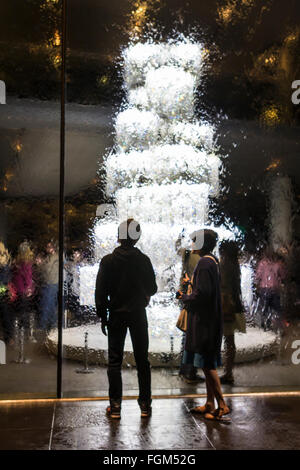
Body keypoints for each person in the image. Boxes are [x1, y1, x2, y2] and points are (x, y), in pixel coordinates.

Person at [95, 219, 157, 419]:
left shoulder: (108, 261)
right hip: (138, 314)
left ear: (119, 235)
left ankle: (115, 407)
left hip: (116, 314)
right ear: (137, 237)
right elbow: (153, 288)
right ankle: (145, 405)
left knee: (114, 361)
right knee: (142, 360)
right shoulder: (144, 260)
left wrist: (102, 316)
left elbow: (100, 292)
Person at [177, 229, 230, 421]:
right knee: (206, 363)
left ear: (201, 244)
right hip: (208, 320)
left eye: (194, 242)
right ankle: (209, 403)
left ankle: (222, 405)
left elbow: (203, 295)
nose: (191, 245)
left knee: (208, 365)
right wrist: (191, 284)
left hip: (205, 323)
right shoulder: (211, 261)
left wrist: (185, 296)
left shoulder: (205, 263)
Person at [175, 231, 203, 383]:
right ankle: (189, 371)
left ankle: (184, 368)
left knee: (187, 334)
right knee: (193, 336)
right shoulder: (201, 258)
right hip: (193, 298)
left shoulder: (187, 254)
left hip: (185, 296)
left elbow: (177, 249)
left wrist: (180, 238)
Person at [219, 240, 246, 385]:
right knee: (230, 341)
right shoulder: (235, 265)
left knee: (228, 341)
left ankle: (228, 373)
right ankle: (228, 371)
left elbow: (222, 285)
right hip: (234, 305)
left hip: (226, 307)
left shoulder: (225, 265)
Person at [255, 247, 286, 331]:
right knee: (276, 308)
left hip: (264, 289)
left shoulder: (262, 263)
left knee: (264, 307)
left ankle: (265, 324)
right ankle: (278, 326)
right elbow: (283, 276)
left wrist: (257, 284)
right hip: (275, 289)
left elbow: (257, 276)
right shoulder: (278, 264)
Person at [38, 241, 59, 332]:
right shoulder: (50, 257)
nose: (47, 249)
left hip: (52, 283)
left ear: (53, 248)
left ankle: (44, 325)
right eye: (47, 247)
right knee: (50, 304)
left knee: (47, 304)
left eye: (49, 247)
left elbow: (47, 269)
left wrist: (41, 264)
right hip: (49, 283)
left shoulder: (55, 257)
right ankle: (53, 324)